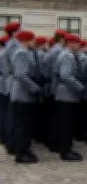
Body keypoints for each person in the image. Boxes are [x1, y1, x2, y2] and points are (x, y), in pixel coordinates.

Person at [9, 30, 42, 163]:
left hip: (26, 94)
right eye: (32, 39)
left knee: (27, 125)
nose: (34, 42)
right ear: (26, 40)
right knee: (22, 125)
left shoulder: (25, 52)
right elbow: (21, 75)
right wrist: (35, 88)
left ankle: (25, 149)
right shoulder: (21, 53)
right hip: (22, 94)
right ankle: (21, 153)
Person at [53, 34, 86, 162]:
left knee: (67, 123)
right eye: (77, 43)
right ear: (70, 43)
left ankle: (67, 148)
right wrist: (80, 87)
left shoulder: (69, 55)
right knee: (66, 124)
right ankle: (65, 152)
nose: (79, 46)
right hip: (66, 94)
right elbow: (66, 76)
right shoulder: (66, 56)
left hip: (67, 94)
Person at [43, 30, 67, 152]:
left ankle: (51, 141)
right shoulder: (59, 51)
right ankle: (54, 143)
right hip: (55, 86)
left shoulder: (53, 50)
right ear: (62, 39)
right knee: (55, 118)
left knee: (51, 117)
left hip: (50, 85)